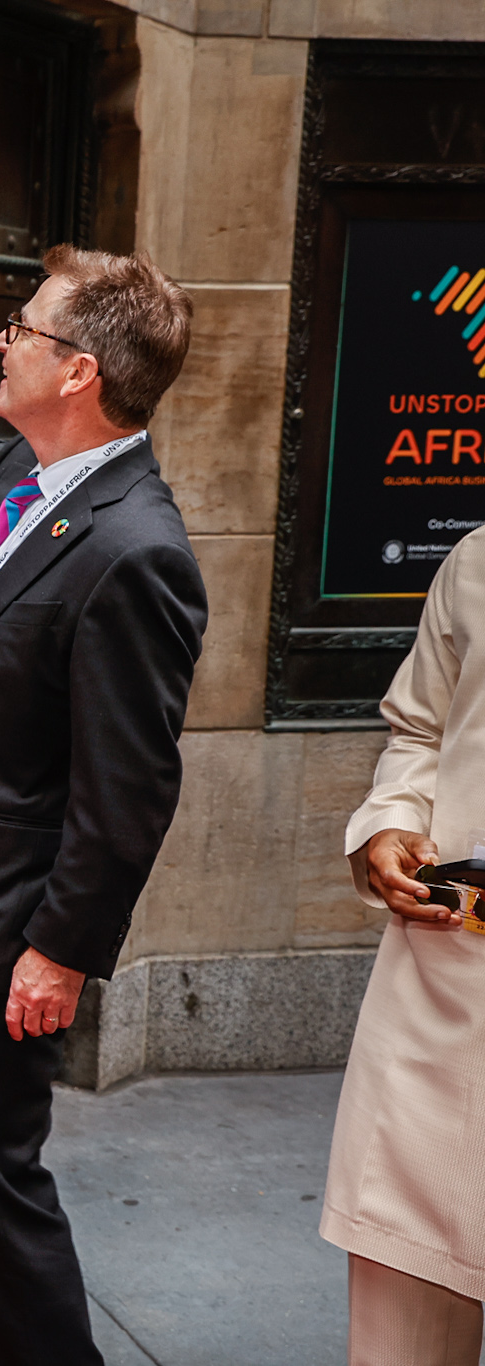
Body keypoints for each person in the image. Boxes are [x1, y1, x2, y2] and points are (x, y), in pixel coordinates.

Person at [0, 247, 206, 1365]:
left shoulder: (135, 550)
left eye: (21, 328)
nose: (0, 340)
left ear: (77, 372)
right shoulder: (26, 480)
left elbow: (130, 785)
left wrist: (58, 951)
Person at [330, 528, 485, 1365]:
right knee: (403, 1325)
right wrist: (393, 821)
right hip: (445, 982)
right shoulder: (477, 558)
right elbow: (420, 731)